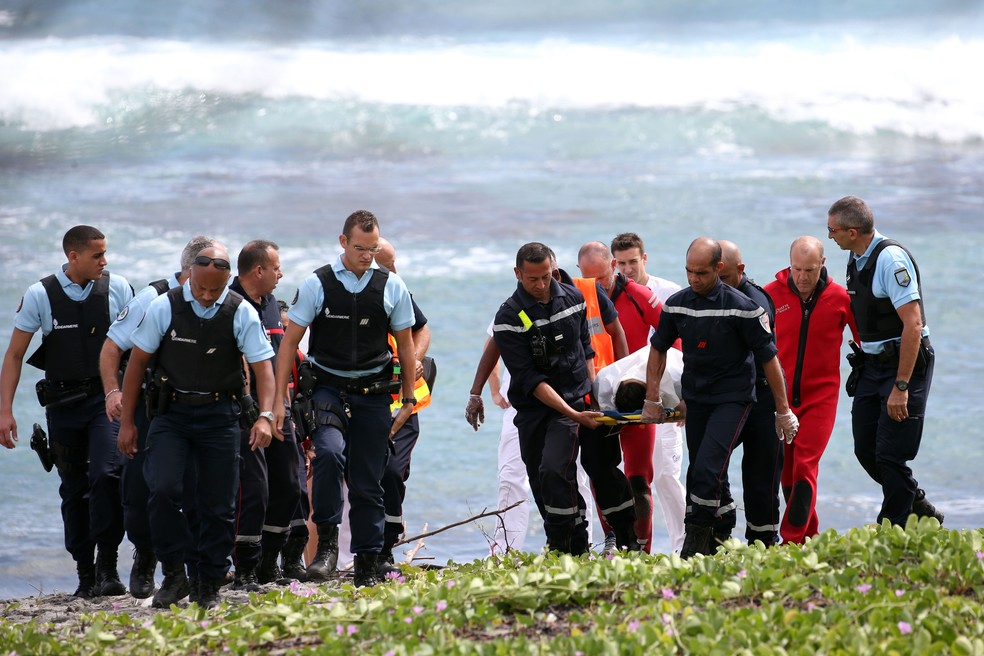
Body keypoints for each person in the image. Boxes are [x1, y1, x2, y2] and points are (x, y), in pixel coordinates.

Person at [116, 245, 276, 609]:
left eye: (215, 291)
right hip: (171, 415)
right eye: (201, 289)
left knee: (217, 504)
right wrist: (127, 422)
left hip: (220, 416)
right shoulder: (164, 307)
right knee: (162, 490)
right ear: (190, 277)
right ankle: (174, 574)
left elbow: (264, 369)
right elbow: (137, 363)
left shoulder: (240, 312)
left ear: (225, 282)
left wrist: (266, 416)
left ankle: (209, 582)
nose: (206, 297)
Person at [272, 210, 417, 587]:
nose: (367, 256)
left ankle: (367, 562)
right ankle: (327, 548)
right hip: (327, 389)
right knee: (330, 455)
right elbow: (289, 342)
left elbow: (406, 343)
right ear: (342, 243)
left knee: (369, 479)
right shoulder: (317, 283)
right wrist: (277, 400)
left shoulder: (392, 287)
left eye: (372, 249)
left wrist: (407, 397)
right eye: (359, 248)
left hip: (373, 393)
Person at [641, 237, 799, 558]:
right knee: (699, 469)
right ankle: (719, 533)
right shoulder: (678, 304)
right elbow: (658, 347)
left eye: (701, 272)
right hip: (697, 399)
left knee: (709, 470)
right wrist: (652, 397)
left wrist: (784, 411)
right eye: (689, 272)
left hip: (735, 399)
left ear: (719, 268)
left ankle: (695, 548)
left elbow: (770, 359)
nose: (694, 279)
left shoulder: (745, 307)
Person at [1, 225, 133, 598]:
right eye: (97, 255)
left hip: (106, 402)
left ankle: (108, 565)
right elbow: (14, 355)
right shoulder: (40, 294)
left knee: (108, 476)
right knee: (74, 489)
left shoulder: (119, 288)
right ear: (73, 257)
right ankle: (85, 574)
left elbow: (138, 348)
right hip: (63, 407)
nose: (104, 262)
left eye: (106, 254)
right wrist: (4, 411)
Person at [98, 235, 216, 598]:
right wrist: (113, 393)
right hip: (151, 407)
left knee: (196, 490)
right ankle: (145, 556)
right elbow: (111, 348)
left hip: (200, 410)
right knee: (138, 490)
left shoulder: (222, 303)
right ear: (190, 270)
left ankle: (187, 572)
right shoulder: (152, 299)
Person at [466, 253, 608, 553]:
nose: (542, 285)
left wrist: (590, 394)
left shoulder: (572, 297)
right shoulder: (509, 315)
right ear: (518, 273)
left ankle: (569, 547)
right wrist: (478, 392)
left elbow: (586, 348)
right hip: (532, 406)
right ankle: (561, 542)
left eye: (547, 276)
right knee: (538, 478)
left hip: (572, 402)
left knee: (558, 470)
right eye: (533, 279)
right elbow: (524, 375)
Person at [827, 196, 942, 525]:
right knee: (866, 450)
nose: (830, 236)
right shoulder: (855, 256)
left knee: (891, 455)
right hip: (872, 367)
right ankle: (914, 500)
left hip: (906, 365)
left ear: (852, 231)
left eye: (832, 230)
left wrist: (901, 386)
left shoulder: (890, 260)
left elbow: (913, 324)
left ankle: (892, 530)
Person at [764, 236, 858, 544]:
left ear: (823, 264)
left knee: (805, 466)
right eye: (797, 269)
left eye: (810, 270)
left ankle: (789, 541)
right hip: (781, 399)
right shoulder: (770, 295)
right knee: (787, 474)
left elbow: (865, 342)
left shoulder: (840, 298)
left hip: (821, 397)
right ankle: (810, 538)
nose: (802, 278)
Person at [577, 241, 665, 553]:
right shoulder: (577, 297)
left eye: (600, 278)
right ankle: (613, 539)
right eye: (588, 279)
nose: (595, 286)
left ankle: (643, 547)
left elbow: (673, 337)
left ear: (613, 267)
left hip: (634, 399)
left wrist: (671, 391)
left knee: (639, 480)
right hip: (599, 402)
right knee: (602, 474)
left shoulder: (639, 296)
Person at [228, 240, 303, 590]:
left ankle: (270, 563)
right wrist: (257, 412)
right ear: (258, 271)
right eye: (276, 268)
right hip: (245, 415)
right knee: (253, 491)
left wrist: (282, 409)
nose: (280, 273)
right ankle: (245, 569)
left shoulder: (271, 303)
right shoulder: (229, 303)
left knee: (289, 485)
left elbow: (279, 360)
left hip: (278, 411)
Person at [610, 232, 687, 554]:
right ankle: (636, 549)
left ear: (644, 259)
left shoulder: (666, 292)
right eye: (621, 263)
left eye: (633, 262)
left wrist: (684, 394)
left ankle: (685, 547)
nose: (627, 269)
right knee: (631, 477)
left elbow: (681, 343)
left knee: (667, 478)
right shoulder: (611, 294)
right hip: (627, 396)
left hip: (666, 396)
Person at [718, 240, 784, 546]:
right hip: (728, 397)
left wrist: (783, 410)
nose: (720, 285)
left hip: (760, 398)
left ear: (740, 270)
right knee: (710, 463)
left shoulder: (756, 300)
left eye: (726, 277)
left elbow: (768, 357)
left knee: (761, 477)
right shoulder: (710, 297)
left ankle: (765, 542)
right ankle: (720, 526)